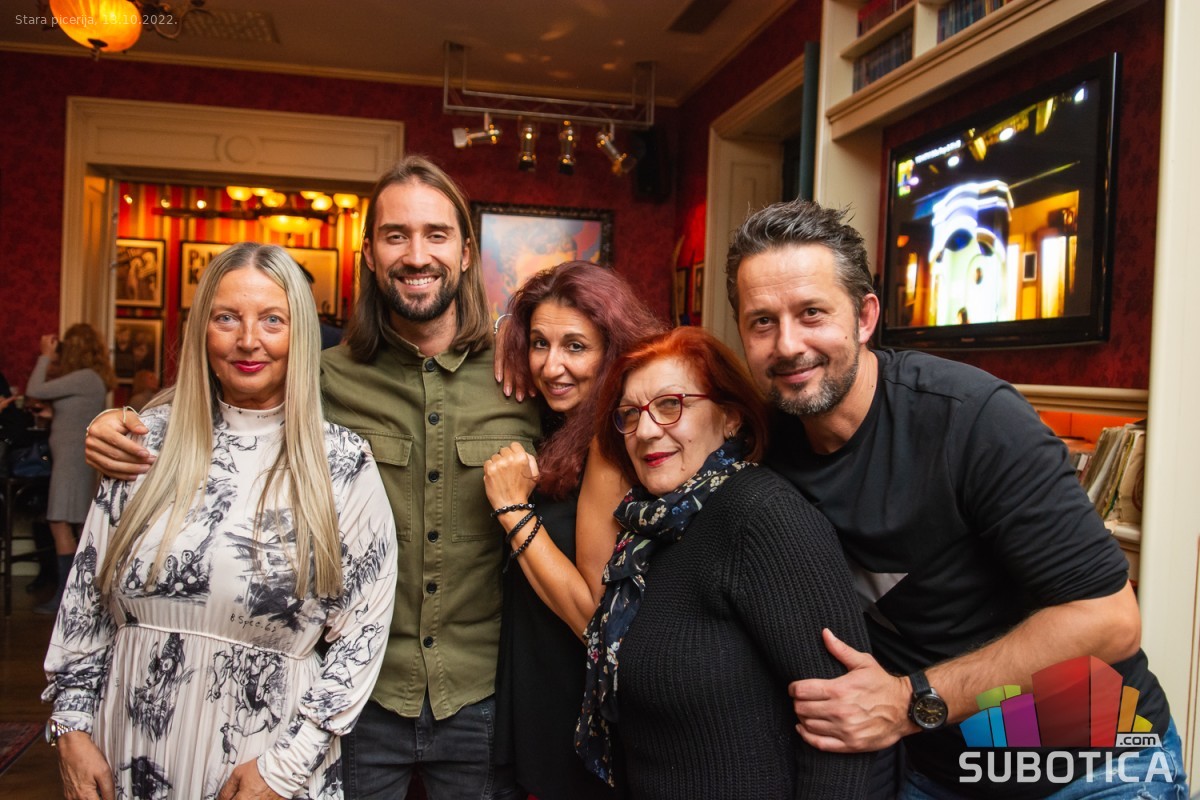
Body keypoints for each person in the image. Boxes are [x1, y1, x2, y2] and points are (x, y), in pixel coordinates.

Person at [85, 157, 542, 800]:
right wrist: (116, 423)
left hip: (481, 695)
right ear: (369, 254)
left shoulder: (522, 377)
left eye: (436, 235)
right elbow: (218, 411)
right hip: (354, 700)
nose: (417, 255)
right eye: (396, 235)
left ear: (466, 253)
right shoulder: (321, 376)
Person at [724, 199, 1184, 798]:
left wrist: (909, 700)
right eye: (762, 322)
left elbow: (1109, 619)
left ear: (865, 317)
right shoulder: (763, 444)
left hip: (1093, 767)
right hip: (935, 772)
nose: (787, 344)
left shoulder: (971, 418)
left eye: (812, 313)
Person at [44, 242, 398, 800]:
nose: (248, 340)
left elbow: (363, 635)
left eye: (272, 320)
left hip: (265, 765)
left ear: (301, 335)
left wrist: (285, 768)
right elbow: (87, 598)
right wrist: (71, 727)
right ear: (201, 331)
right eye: (227, 317)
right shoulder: (143, 442)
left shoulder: (342, 463)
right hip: (125, 749)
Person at [576, 325, 872, 799]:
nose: (646, 430)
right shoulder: (649, 527)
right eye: (630, 414)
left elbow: (848, 736)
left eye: (671, 405)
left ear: (731, 418)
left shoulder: (761, 516)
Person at [482, 261, 663, 799]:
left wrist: (513, 510)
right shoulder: (561, 421)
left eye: (576, 347)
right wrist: (506, 337)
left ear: (613, 351)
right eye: (539, 343)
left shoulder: (611, 440)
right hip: (537, 682)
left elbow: (593, 617)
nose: (551, 365)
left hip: (572, 698)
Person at [27, 324, 115, 615]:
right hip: (74, 459)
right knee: (76, 524)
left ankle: (66, 598)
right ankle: (77, 596)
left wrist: (45, 355)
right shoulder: (88, 379)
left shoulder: (85, 377)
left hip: (71, 461)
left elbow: (34, 389)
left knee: (60, 521)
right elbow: (75, 414)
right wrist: (54, 413)